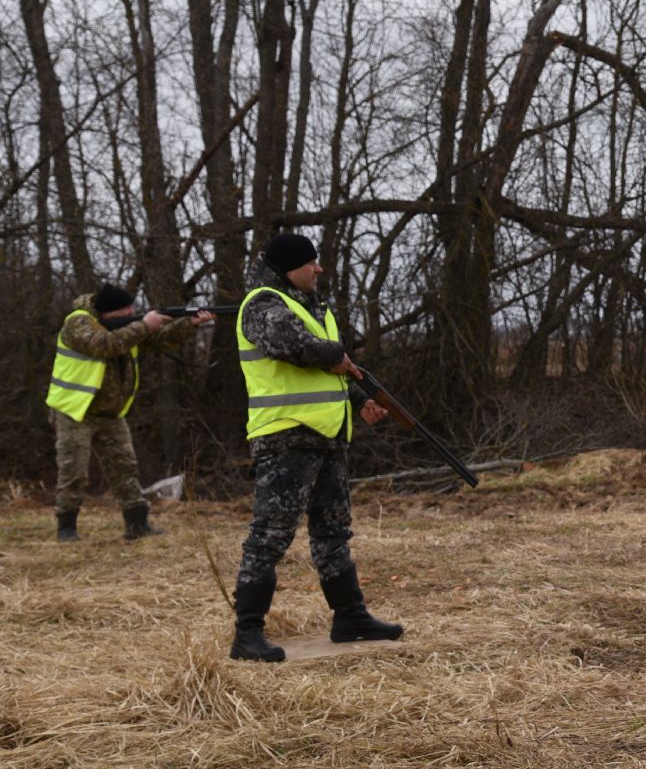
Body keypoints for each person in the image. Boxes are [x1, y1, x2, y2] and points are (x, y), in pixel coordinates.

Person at [228, 232, 402, 663]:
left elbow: (332, 372)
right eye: (311, 263)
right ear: (290, 268)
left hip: (326, 437)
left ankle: (350, 618)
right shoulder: (263, 304)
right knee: (269, 537)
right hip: (286, 436)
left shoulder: (311, 307)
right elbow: (295, 348)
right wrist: (336, 353)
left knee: (332, 532)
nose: (319, 269)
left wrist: (360, 402)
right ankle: (247, 634)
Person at [46, 282, 213, 542]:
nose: (131, 313)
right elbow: (105, 344)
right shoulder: (77, 323)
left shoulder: (127, 327)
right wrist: (145, 324)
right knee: (73, 471)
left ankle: (137, 524)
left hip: (111, 413)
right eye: (126, 310)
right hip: (75, 410)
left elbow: (160, 340)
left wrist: (189, 324)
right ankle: (66, 527)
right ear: (108, 313)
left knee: (125, 467)